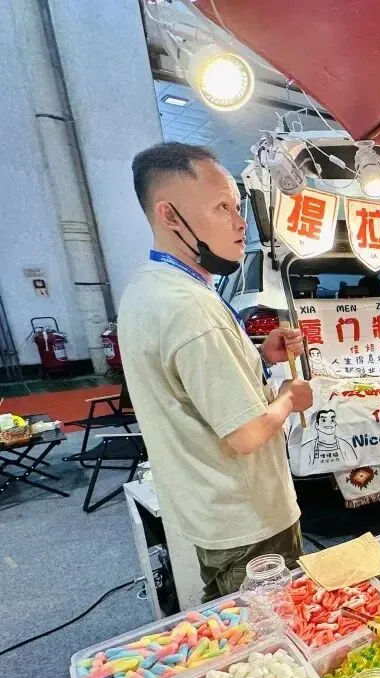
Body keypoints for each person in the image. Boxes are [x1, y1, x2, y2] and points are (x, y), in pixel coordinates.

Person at [119, 143, 313, 601]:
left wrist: (261, 357)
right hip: (247, 518)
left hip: (211, 510)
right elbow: (245, 434)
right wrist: (289, 397)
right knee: (271, 630)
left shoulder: (152, 287)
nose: (240, 222)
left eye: (238, 206)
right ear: (170, 215)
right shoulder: (190, 308)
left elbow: (194, 385)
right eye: (222, 207)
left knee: (236, 623)